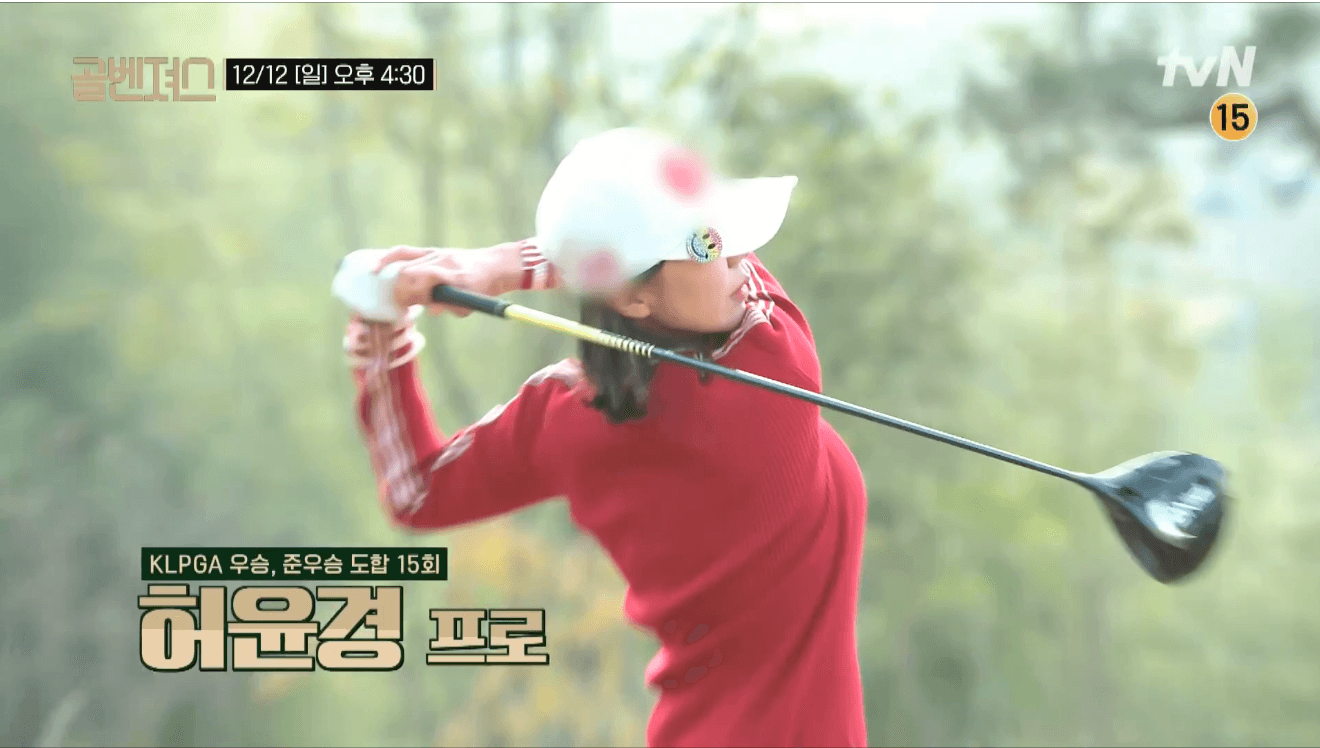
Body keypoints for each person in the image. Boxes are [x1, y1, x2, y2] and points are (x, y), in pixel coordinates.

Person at [342, 127, 869, 747]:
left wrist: (380, 333)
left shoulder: (566, 415)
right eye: (708, 242)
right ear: (630, 295)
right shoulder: (776, 365)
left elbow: (417, 490)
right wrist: (501, 266)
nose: (737, 256)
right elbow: (726, 273)